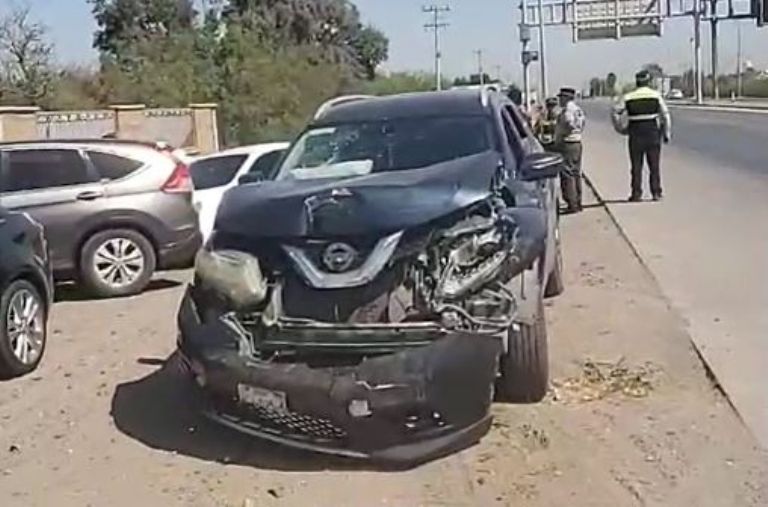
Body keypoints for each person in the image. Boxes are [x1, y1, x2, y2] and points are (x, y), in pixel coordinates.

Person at [612, 69, 672, 201]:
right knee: (654, 166)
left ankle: (636, 193)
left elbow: (615, 112)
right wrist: (666, 132)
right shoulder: (655, 95)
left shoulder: (629, 97)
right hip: (652, 133)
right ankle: (656, 192)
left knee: (636, 166)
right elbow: (665, 115)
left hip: (635, 133)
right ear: (648, 81)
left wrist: (620, 128)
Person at [555, 87, 586, 213]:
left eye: (561, 98)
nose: (559, 100)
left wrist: (562, 134)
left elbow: (569, 124)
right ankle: (578, 201)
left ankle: (572, 204)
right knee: (576, 173)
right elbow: (582, 124)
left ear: (566, 98)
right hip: (577, 142)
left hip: (568, 143)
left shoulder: (567, 110)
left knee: (567, 174)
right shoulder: (578, 110)